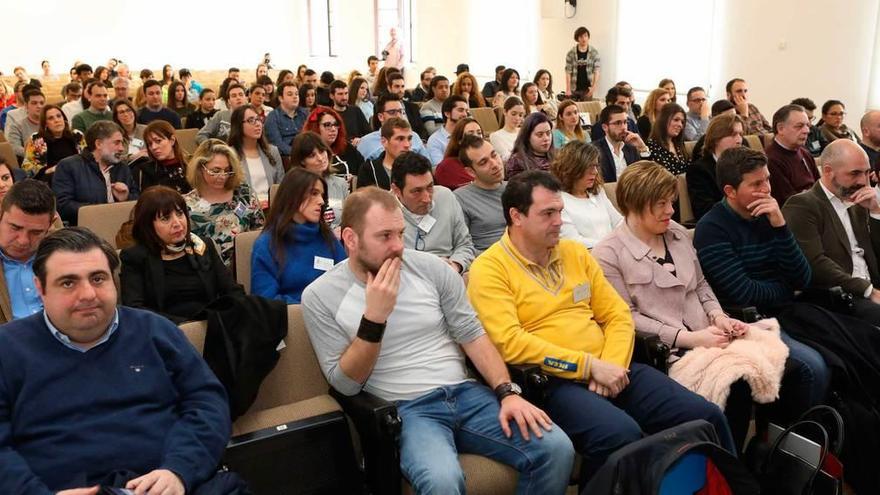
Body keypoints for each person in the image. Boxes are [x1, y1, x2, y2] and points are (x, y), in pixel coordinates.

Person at [302, 187, 575, 494]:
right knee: (442, 481)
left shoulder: (431, 269)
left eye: (401, 233)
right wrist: (374, 321)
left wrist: (507, 391)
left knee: (556, 448)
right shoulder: (320, 296)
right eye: (384, 236)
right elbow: (346, 385)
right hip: (408, 409)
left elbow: (473, 336)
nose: (397, 247)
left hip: (467, 394)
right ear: (350, 239)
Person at [467, 170, 734, 481]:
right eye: (548, 213)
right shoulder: (489, 269)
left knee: (705, 415)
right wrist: (589, 367)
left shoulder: (574, 252)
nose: (559, 221)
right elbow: (510, 342)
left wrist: (611, 364)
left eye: (561, 212)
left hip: (613, 366)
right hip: (553, 381)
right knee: (619, 434)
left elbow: (618, 315)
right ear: (516, 216)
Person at [594, 161, 814, 452]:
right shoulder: (608, 253)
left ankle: (770, 450)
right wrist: (689, 338)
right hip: (668, 351)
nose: (671, 211)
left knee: (794, 370)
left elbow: (700, 285)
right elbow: (626, 318)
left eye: (671, 202)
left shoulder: (674, 233)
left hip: (709, 334)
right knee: (735, 385)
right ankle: (729, 469)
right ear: (634, 204)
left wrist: (718, 316)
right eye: (661, 204)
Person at [0, 227, 239, 493]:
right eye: (68, 282)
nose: (88, 294)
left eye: (98, 278)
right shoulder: (7, 349)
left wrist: (179, 471)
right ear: (40, 288)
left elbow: (208, 403)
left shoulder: (155, 331)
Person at [693, 145, 830, 417]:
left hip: (788, 310)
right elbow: (743, 293)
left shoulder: (769, 216)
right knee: (813, 366)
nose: (766, 188)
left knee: (846, 352)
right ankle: (790, 443)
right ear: (730, 191)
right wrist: (787, 288)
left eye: (767, 179)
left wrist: (780, 226)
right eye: (756, 183)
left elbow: (803, 276)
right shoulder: (712, 228)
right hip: (750, 320)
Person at [782, 140, 880, 326]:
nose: (863, 181)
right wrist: (868, 290)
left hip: (871, 287)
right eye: (855, 173)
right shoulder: (803, 205)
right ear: (828, 171)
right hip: (838, 297)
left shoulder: (858, 200)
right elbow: (815, 264)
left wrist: (875, 212)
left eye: (867, 172)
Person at [120, 186, 243, 323]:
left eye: (179, 214)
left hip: (211, 326)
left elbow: (233, 291)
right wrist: (187, 327)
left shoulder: (202, 246)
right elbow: (135, 309)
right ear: (148, 225)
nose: (177, 224)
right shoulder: (134, 257)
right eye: (166, 218)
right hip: (165, 333)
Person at [251, 168, 346, 304]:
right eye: (313, 193)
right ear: (293, 196)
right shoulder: (266, 244)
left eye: (321, 195)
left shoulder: (327, 237)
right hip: (289, 320)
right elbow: (266, 301)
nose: (321, 201)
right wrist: (313, 307)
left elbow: (346, 282)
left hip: (332, 317)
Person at [391, 152, 475, 274]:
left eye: (430, 187)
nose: (427, 198)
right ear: (396, 190)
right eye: (416, 191)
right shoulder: (383, 212)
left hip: (449, 273)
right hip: (407, 279)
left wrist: (455, 266)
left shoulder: (445, 197)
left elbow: (465, 245)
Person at [184, 139, 264, 267]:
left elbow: (260, 231)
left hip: (249, 263)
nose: (223, 176)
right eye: (215, 171)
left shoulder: (244, 194)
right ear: (200, 168)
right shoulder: (187, 205)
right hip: (209, 271)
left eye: (227, 170)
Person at [53, 120, 139, 225]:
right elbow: (62, 206)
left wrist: (127, 197)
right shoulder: (69, 166)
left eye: (122, 143)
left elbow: (138, 202)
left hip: (121, 229)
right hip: (85, 232)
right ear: (98, 144)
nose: (121, 148)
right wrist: (100, 211)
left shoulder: (122, 168)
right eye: (116, 143)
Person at [0, 179, 55, 324]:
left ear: (50, 226)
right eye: (15, 228)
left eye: (36, 232)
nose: (23, 240)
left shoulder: (64, 254)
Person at [551, 141, 621, 249]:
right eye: (590, 167)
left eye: (596, 166)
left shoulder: (598, 192)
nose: (595, 172)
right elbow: (573, 240)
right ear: (573, 168)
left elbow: (619, 222)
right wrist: (612, 245)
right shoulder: (558, 200)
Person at [687, 114, 745, 221]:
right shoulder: (699, 170)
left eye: (741, 134)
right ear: (716, 138)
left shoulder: (745, 165)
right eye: (733, 135)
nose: (739, 140)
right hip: (722, 224)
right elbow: (704, 209)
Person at [454, 135, 507, 253]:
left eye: (494, 155)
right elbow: (462, 247)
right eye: (483, 162)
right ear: (471, 172)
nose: (494, 164)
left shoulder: (515, 188)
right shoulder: (460, 199)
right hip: (490, 262)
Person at [290, 131, 350, 232]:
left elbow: (350, 218)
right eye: (312, 155)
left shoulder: (340, 184)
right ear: (302, 161)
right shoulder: (294, 188)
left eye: (322, 151)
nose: (320, 158)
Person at [227, 104, 285, 208]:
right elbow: (229, 193)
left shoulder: (272, 151)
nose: (258, 124)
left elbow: (281, 185)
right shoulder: (230, 155)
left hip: (273, 207)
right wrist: (254, 205)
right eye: (251, 120)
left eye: (258, 119)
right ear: (238, 126)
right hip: (245, 209)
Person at [765, 104, 819, 205]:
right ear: (780, 128)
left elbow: (820, 186)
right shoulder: (771, 160)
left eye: (808, 125)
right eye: (799, 126)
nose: (807, 131)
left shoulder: (804, 152)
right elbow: (790, 203)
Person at [22, 104, 85, 182]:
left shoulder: (77, 136)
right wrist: (51, 170)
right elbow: (28, 168)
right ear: (45, 124)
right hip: (51, 179)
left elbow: (87, 158)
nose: (56, 120)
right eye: (51, 118)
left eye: (59, 116)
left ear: (64, 119)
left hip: (78, 176)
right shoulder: (38, 139)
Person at [356, 94, 429, 161]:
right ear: (381, 117)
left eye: (401, 112)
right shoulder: (366, 142)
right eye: (392, 112)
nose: (398, 116)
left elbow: (428, 166)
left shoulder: (414, 137)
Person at [303, 105, 365, 181]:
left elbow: (365, 171)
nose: (333, 129)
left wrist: (355, 180)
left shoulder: (347, 148)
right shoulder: (307, 152)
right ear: (315, 127)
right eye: (327, 125)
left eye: (336, 125)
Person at [130, 120, 191, 194]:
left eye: (158, 141)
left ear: (172, 140)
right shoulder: (145, 170)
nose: (153, 147)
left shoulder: (191, 165)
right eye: (150, 144)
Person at [595, 104, 650, 183]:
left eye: (625, 122)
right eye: (618, 123)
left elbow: (645, 175)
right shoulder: (595, 149)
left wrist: (642, 147)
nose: (623, 127)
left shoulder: (631, 148)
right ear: (605, 127)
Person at [357, 118, 414, 191]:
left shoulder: (420, 166)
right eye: (400, 139)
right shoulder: (369, 170)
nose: (407, 144)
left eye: (409, 139)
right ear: (384, 141)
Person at [435, 118, 483, 190]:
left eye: (479, 133)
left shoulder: (489, 160)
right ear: (459, 140)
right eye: (470, 133)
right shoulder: (447, 166)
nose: (477, 137)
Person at [264, 81, 308, 160]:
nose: (295, 97)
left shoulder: (305, 113)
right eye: (290, 94)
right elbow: (278, 145)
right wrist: (299, 154)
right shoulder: (273, 117)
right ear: (281, 98)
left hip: (307, 154)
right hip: (287, 159)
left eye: (296, 94)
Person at [506, 112, 554, 179]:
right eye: (540, 135)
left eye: (548, 133)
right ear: (527, 137)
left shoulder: (558, 156)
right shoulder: (517, 162)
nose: (546, 138)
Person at [646, 103, 689, 175]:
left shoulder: (679, 145)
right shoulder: (652, 146)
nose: (680, 125)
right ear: (664, 120)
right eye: (676, 120)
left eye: (682, 122)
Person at [427, 95, 469, 165]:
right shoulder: (435, 140)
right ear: (447, 113)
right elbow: (441, 168)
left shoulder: (469, 134)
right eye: (460, 110)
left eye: (466, 111)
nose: (465, 114)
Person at [386, 72, 428, 140]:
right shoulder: (383, 107)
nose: (401, 90)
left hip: (415, 142)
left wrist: (422, 141)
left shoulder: (413, 107)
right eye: (397, 86)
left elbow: (422, 130)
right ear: (389, 88)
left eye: (402, 86)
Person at [6, 88, 46, 160]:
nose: (39, 106)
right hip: (31, 162)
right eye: (34, 103)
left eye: (41, 103)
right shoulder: (16, 126)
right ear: (26, 106)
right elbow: (14, 147)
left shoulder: (49, 123)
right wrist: (35, 153)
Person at [564, 26, 600, 100]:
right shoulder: (571, 53)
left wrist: (593, 87)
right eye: (581, 36)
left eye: (585, 36)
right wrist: (568, 89)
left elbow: (597, 71)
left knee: (588, 109)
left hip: (587, 89)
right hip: (574, 88)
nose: (584, 39)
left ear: (588, 37)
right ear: (577, 38)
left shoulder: (594, 53)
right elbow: (568, 72)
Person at [490, 96, 526, 162]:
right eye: (513, 114)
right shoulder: (496, 136)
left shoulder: (524, 132)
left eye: (520, 115)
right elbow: (507, 158)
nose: (517, 118)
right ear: (505, 112)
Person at [112, 99, 148, 163]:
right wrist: (131, 157)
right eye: (121, 112)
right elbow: (112, 157)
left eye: (128, 110)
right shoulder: (113, 135)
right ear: (116, 117)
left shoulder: (146, 130)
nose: (126, 114)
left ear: (134, 112)